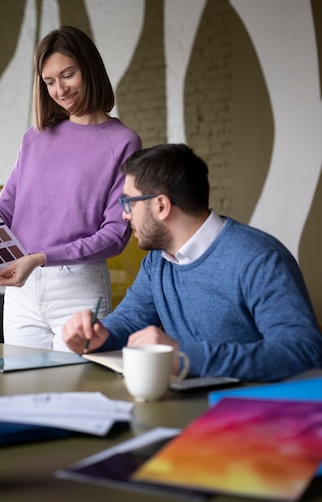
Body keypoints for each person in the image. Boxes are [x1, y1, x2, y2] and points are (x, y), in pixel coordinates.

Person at [0, 26, 141, 351]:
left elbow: (115, 235)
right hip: (21, 288)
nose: (60, 89)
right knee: (21, 388)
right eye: (49, 82)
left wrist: (41, 258)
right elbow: (4, 210)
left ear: (90, 69)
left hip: (77, 286)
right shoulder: (36, 136)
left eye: (67, 74)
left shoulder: (122, 142)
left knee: (74, 391)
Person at [62, 143, 322, 382]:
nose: (124, 214)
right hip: (189, 406)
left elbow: (302, 350)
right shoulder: (157, 261)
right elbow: (129, 321)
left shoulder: (259, 258)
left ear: (161, 206)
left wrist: (183, 357)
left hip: (258, 413)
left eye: (128, 202)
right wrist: (98, 336)